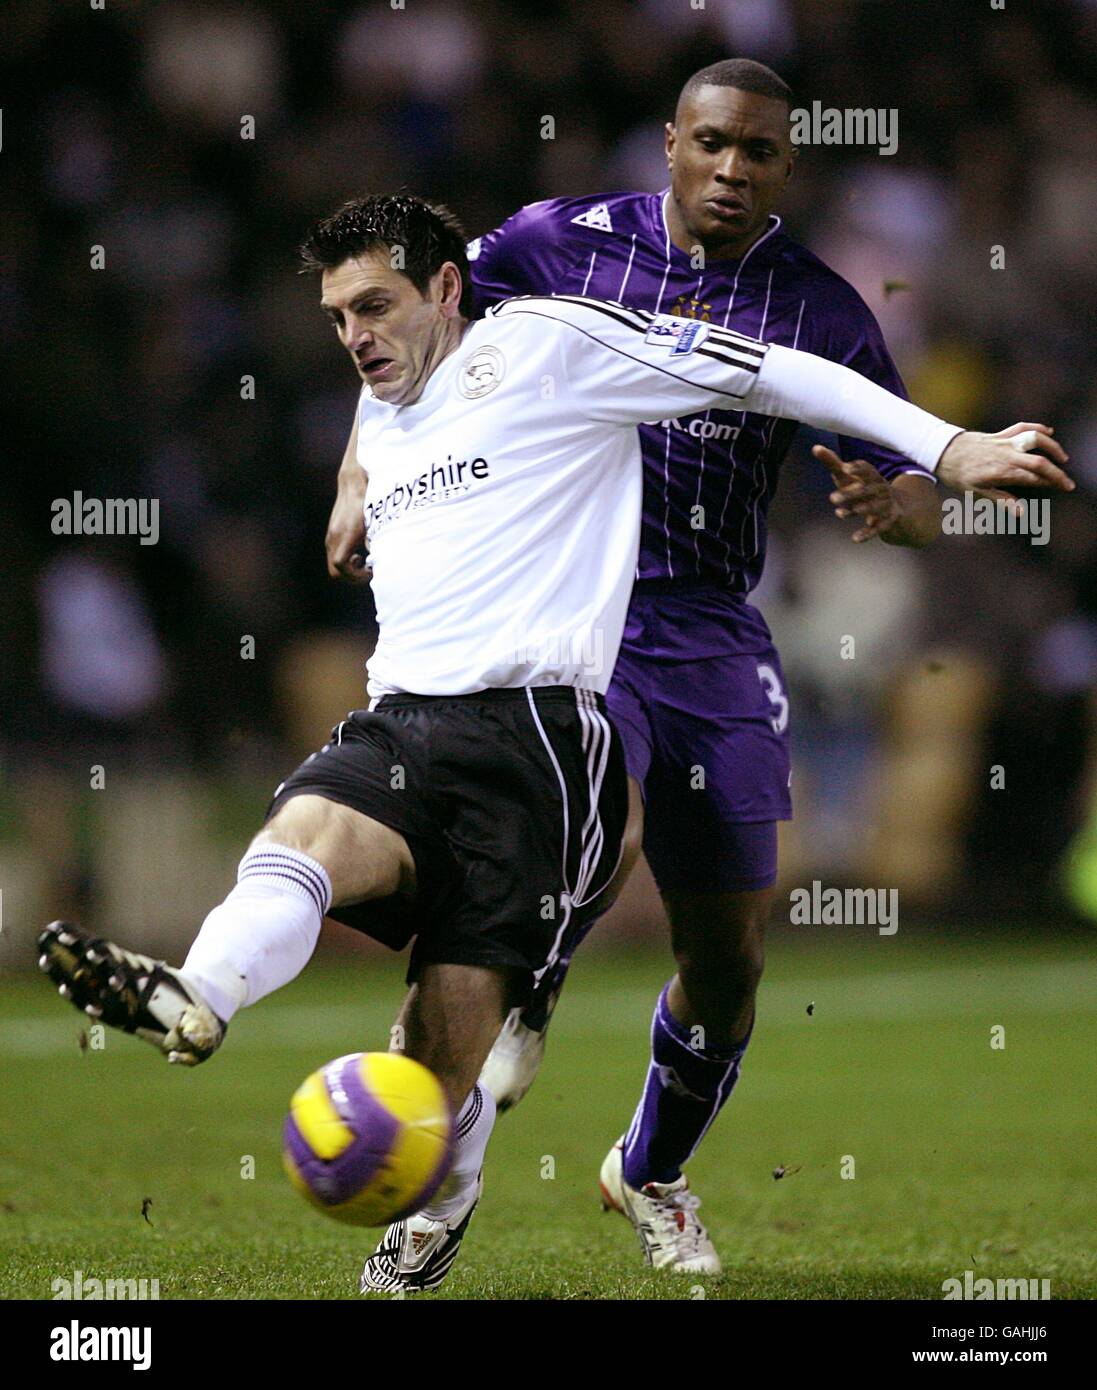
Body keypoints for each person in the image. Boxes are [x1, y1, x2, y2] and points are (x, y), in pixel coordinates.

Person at [42, 193, 1061, 1295]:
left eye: (374, 306)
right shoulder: (383, 402)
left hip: (536, 742)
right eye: (337, 318)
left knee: (432, 1070)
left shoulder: (552, 345)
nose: (354, 338)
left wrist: (946, 446)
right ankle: (195, 994)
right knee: (301, 836)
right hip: (401, 718)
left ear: (447, 288)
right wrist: (349, 477)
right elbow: (373, 397)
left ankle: (456, 1175)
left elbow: (766, 370)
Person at [325, 61, 1072, 1274]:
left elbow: (915, 494)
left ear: (786, 166)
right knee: (591, 818)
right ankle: (442, 1167)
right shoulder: (556, 243)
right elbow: (407, 325)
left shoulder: (817, 308)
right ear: (669, 143)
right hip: (566, 606)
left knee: (726, 954)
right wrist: (360, 474)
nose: (731, 170)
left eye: (758, 154)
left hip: (712, 629)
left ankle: (649, 1167)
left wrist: (907, 497)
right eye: (711, 143)